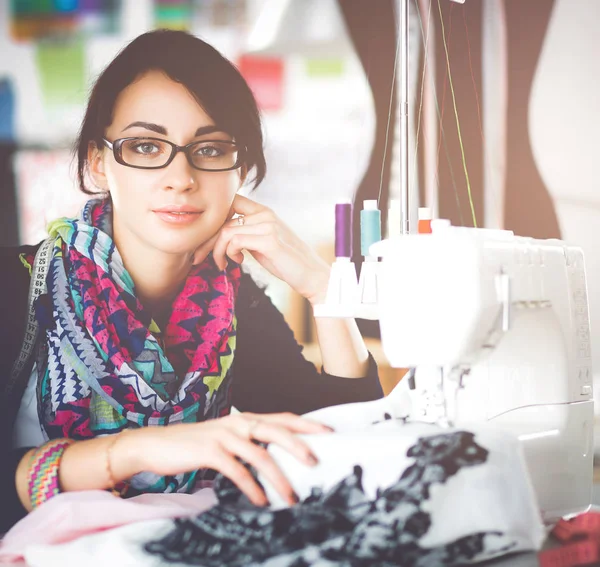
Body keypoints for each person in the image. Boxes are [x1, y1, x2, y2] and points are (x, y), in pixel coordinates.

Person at [0, 29, 382, 532]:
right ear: (97, 163)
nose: (180, 176)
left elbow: (350, 448)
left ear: (239, 168)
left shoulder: (232, 303)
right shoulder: (16, 285)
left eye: (210, 149)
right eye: (144, 145)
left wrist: (324, 289)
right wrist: (135, 451)